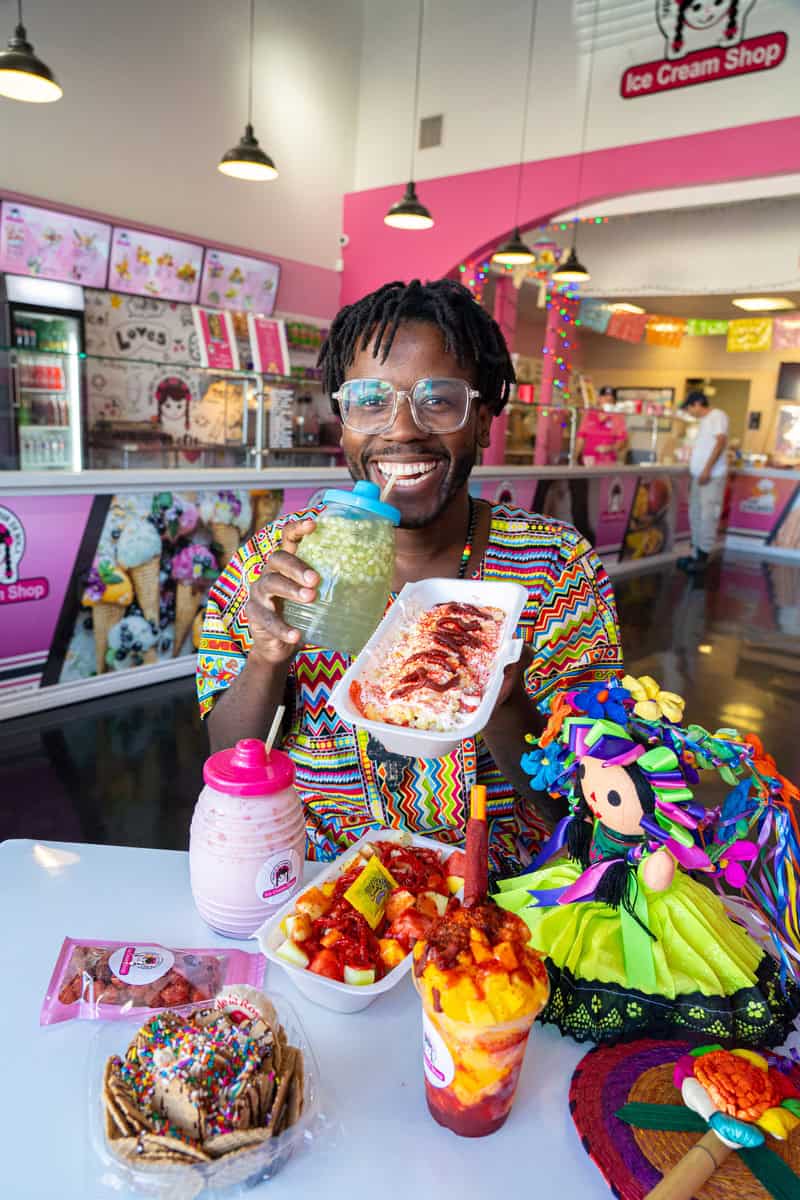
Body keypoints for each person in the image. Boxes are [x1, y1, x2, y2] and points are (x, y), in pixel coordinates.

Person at [197, 279, 623, 872]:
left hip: (503, 902)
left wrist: (502, 702)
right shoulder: (276, 560)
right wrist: (268, 656)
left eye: (439, 399)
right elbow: (230, 758)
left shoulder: (555, 571)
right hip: (318, 893)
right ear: (342, 421)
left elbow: (595, 814)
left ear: (483, 419)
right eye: (370, 401)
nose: (401, 430)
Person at [677, 390, 728, 574]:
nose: (690, 412)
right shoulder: (704, 422)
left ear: (698, 403)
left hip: (711, 477)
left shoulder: (717, 415)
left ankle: (703, 557)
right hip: (700, 477)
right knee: (695, 514)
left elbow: (721, 442)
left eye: (690, 408)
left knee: (708, 516)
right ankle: (696, 553)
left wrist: (707, 469)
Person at [575, 386, 628, 466]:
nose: (607, 401)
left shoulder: (618, 417)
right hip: (588, 459)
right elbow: (580, 438)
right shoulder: (589, 414)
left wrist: (610, 448)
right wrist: (574, 457)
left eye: (610, 400)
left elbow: (622, 442)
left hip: (608, 460)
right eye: (605, 398)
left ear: (614, 402)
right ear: (599, 399)